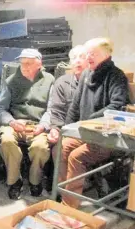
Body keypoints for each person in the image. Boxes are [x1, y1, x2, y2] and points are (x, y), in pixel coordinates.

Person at [60, 38, 130, 208]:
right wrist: (67, 128)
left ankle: (69, 206)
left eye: (94, 54)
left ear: (107, 55)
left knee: (77, 157)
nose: (89, 57)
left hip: (106, 136)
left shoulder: (116, 76)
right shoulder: (86, 74)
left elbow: (117, 105)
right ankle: (65, 193)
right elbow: (75, 105)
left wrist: (88, 122)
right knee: (63, 145)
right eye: (88, 54)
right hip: (85, 132)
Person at [0, 48, 55, 200]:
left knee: (40, 148)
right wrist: (11, 122)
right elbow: (0, 109)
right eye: (22, 63)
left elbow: (52, 109)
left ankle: (35, 181)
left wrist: (43, 125)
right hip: (15, 123)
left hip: (38, 124)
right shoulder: (11, 81)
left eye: (29, 63)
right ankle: (15, 181)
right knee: (7, 141)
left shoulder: (50, 80)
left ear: (39, 64)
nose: (24, 66)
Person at [47, 45, 89, 145]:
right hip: (68, 131)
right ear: (70, 63)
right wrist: (55, 129)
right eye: (74, 58)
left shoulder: (96, 82)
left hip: (90, 132)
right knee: (58, 150)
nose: (77, 61)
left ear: (89, 61)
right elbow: (57, 111)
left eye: (82, 57)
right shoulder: (62, 82)